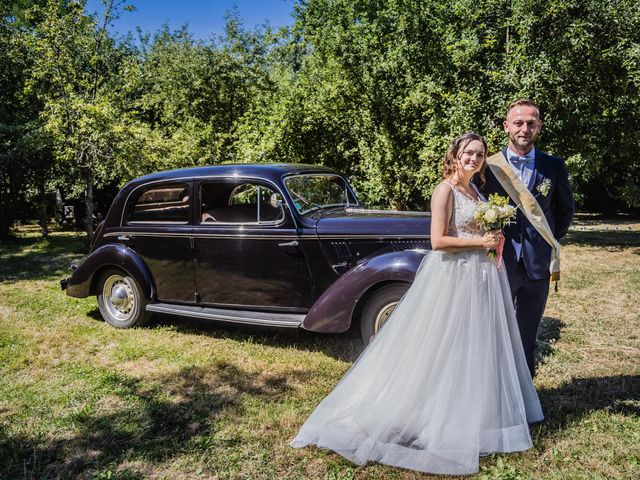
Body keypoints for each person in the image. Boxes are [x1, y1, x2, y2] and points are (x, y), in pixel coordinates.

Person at [291, 132, 544, 475]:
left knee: (476, 342)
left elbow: (474, 231)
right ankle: (436, 415)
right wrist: (479, 241)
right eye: (468, 152)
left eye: (480, 154)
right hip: (454, 275)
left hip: (480, 275)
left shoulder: (476, 191)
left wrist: (493, 238)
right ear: (454, 155)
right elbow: (438, 241)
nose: (474, 158)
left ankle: (479, 412)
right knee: (447, 343)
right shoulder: (445, 190)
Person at [482, 99, 574, 377]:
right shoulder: (487, 166)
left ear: (539, 127)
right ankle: (494, 388)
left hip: (537, 264)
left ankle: (525, 395)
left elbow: (565, 211)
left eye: (531, 123)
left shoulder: (553, 166)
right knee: (492, 330)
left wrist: (544, 241)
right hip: (498, 261)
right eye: (518, 123)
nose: (524, 128)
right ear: (506, 126)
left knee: (528, 333)